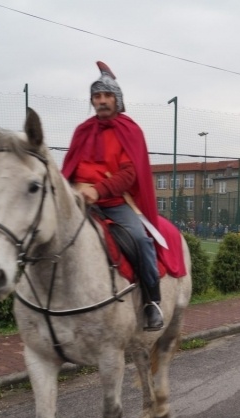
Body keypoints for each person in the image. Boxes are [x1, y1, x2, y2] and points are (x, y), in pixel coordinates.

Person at [62, 61, 166, 330]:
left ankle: (151, 302)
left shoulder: (130, 131)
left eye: (107, 96)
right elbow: (70, 168)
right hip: (79, 202)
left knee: (141, 241)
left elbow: (130, 174)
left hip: (115, 203)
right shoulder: (82, 131)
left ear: (117, 100)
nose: (102, 101)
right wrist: (73, 189)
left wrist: (98, 190)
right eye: (97, 96)